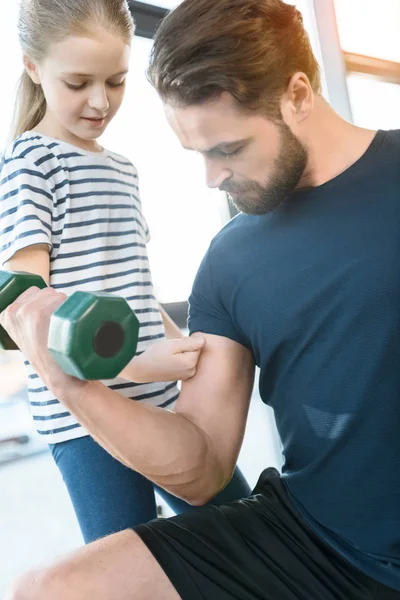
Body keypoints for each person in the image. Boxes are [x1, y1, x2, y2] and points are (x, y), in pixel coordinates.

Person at [2, 0, 400, 598]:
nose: (211, 180)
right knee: (46, 588)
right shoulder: (229, 259)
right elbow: (202, 463)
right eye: (197, 153)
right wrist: (71, 379)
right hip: (315, 542)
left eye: (227, 150)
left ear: (297, 95)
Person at [0, 0, 250, 546]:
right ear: (33, 68)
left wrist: (182, 345)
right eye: (78, 82)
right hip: (86, 424)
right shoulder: (31, 163)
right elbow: (28, 315)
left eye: (115, 81)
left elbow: (129, 285)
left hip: (160, 397)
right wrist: (137, 364)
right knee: (132, 562)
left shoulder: (120, 168)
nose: (99, 101)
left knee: (245, 529)